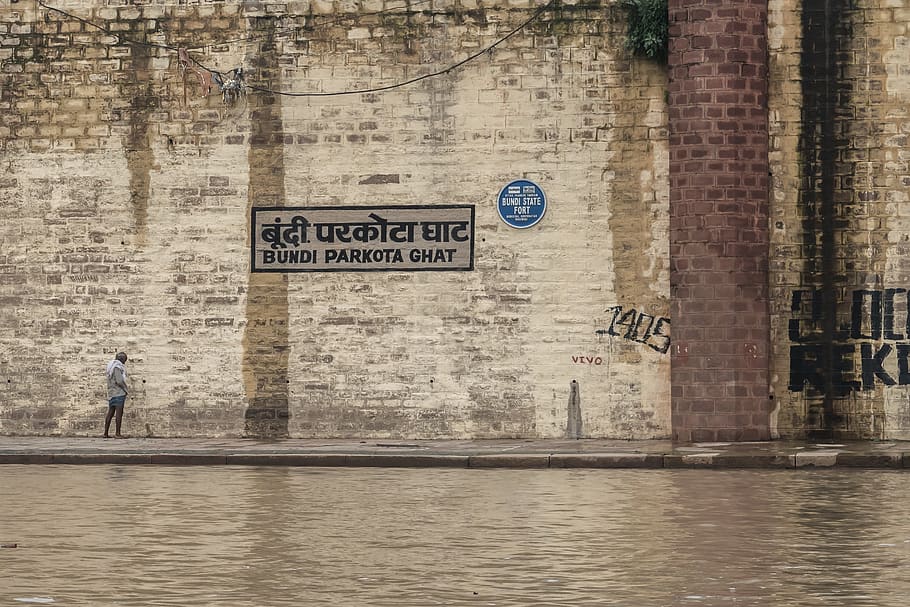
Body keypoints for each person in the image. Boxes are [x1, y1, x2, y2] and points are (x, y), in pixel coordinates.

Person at [104, 352, 129, 438]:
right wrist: (126, 389)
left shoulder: (110, 367)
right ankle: (117, 433)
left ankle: (105, 433)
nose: (124, 362)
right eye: (124, 360)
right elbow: (119, 381)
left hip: (111, 393)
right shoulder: (117, 367)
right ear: (122, 360)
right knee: (119, 413)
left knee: (110, 413)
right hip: (119, 393)